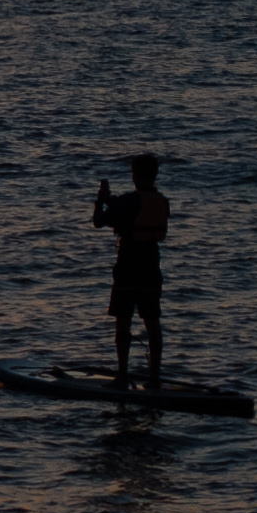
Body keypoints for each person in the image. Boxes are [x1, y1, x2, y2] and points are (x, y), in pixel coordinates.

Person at [91, 153, 170, 389]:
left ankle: (122, 377)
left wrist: (100, 201)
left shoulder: (127, 201)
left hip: (128, 267)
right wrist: (113, 201)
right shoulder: (162, 201)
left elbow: (99, 221)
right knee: (152, 323)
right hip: (151, 266)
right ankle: (154, 379)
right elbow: (132, 210)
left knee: (123, 322)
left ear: (135, 176)